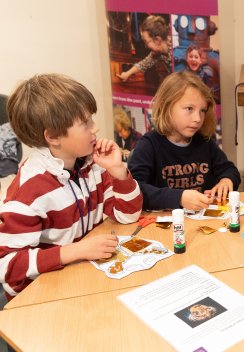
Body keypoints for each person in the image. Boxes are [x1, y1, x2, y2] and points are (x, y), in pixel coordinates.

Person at [0, 74, 143, 300]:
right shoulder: (28, 192)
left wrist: (118, 172)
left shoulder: (90, 165)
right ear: (54, 136)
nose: (95, 128)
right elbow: (7, 266)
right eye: (85, 122)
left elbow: (128, 215)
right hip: (41, 297)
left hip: (80, 275)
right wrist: (74, 251)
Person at [128, 71, 240, 211]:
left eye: (202, 111)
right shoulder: (148, 145)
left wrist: (226, 180)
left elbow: (230, 170)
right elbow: (134, 190)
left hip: (202, 222)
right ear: (166, 106)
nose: (198, 118)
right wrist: (179, 197)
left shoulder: (204, 142)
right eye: (189, 109)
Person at [117, 15, 172, 84]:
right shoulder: (158, 52)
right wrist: (127, 74)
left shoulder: (177, 48)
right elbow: (144, 63)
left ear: (157, 40)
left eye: (146, 41)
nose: (145, 46)